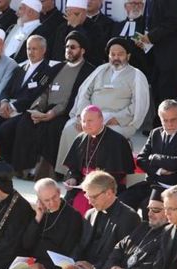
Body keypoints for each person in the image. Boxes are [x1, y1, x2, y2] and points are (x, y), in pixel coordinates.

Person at [55, 37, 149, 175]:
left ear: (128, 55)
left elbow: (139, 104)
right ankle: (71, 173)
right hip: (92, 116)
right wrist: (83, 116)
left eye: (120, 54)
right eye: (112, 54)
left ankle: (102, 176)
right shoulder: (100, 70)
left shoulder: (136, 75)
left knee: (108, 134)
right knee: (70, 127)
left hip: (118, 121)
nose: (116, 57)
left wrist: (117, 118)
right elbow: (84, 93)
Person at [11, 31, 95, 179]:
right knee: (26, 121)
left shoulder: (89, 71)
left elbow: (76, 98)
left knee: (52, 128)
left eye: (73, 47)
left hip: (66, 112)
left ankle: (44, 173)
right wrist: (37, 110)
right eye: (67, 46)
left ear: (82, 50)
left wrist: (52, 113)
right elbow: (43, 92)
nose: (69, 50)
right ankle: (24, 169)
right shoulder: (56, 67)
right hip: (45, 110)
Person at [120, 100, 177, 213]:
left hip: (175, 189)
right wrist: (159, 170)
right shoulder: (155, 133)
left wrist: (154, 157)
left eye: (173, 120)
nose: (169, 124)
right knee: (121, 201)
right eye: (165, 120)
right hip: (152, 183)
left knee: (147, 210)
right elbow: (141, 160)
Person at [62, 105, 135, 215]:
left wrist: (95, 185)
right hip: (81, 184)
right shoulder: (80, 138)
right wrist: (72, 178)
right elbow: (74, 168)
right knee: (67, 203)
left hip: (106, 188)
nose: (86, 124)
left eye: (90, 120)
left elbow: (117, 175)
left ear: (101, 120)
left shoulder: (117, 141)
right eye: (84, 121)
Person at [0, 35, 50, 164]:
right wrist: (4, 102)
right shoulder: (21, 68)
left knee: (5, 129)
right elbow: (6, 89)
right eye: (28, 48)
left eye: (34, 49)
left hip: (25, 110)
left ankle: (5, 163)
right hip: (8, 108)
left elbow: (36, 94)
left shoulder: (47, 70)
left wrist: (13, 108)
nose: (30, 52)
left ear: (43, 50)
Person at [140, 0, 177, 128]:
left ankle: (167, 128)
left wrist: (150, 37)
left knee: (167, 92)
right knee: (157, 91)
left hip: (171, 52)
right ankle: (159, 126)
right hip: (157, 52)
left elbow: (173, 22)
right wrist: (145, 39)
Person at [49, 0, 104, 66]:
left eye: (76, 14)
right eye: (69, 14)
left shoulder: (95, 28)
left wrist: (77, 27)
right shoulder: (62, 28)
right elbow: (56, 53)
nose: (72, 17)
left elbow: (92, 53)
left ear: (84, 13)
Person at [110, 0, 150, 78]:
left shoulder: (147, 26)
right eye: (133, 3)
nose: (136, 6)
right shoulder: (117, 26)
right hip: (117, 69)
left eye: (139, 4)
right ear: (125, 6)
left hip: (140, 70)